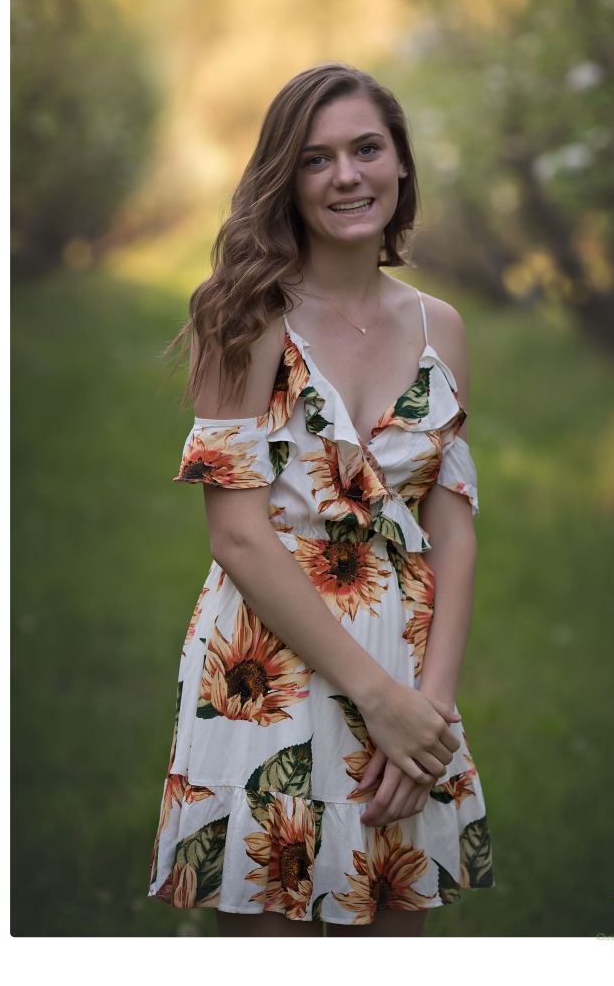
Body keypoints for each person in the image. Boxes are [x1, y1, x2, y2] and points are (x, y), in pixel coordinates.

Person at [148, 62, 494, 936]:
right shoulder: (246, 313)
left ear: (401, 162)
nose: (347, 176)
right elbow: (237, 535)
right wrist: (377, 698)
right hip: (270, 668)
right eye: (316, 158)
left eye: (366, 149)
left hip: (407, 668)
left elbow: (452, 528)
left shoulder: (441, 327)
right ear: (286, 179)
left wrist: (429, 713)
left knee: (389, 941)